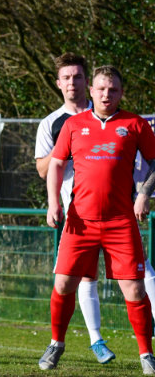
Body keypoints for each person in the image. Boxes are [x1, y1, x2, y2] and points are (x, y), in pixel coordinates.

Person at [40, 65, 155, 374]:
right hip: (80, 221)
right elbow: (56, 165)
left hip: (121, 221)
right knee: (64, 283)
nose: (107, 94)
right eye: (101, 89)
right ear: (91, 90)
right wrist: (53, 203)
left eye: (113, 90)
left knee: (135, 290)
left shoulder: (135, 124)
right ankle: (56, 344)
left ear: (121, 93)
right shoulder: (73, 124)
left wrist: (144, 193)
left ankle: (146, 354)